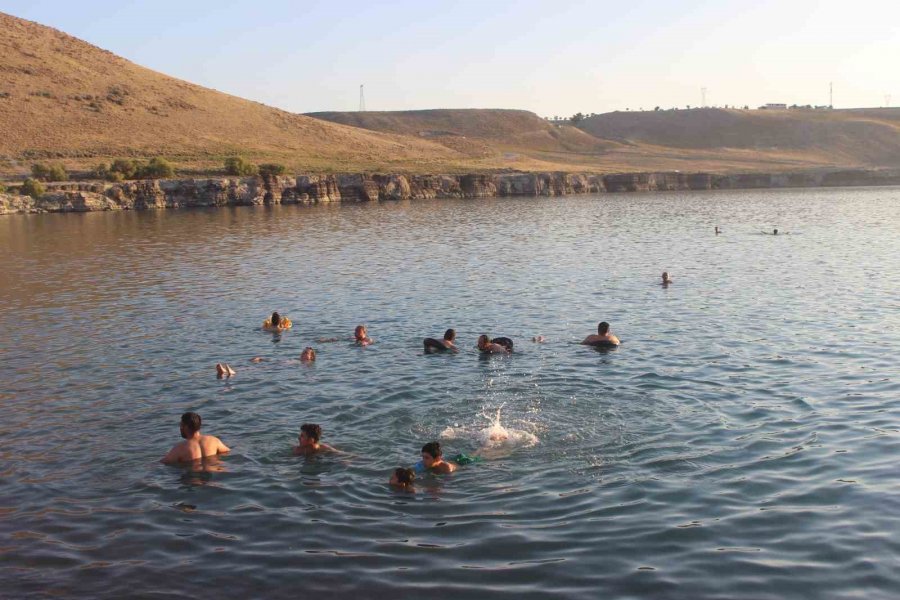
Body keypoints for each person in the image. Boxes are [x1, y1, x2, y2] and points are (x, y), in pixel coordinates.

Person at [162, 412, 230, 464]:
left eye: (181, 425)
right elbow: (227, 451)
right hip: (214, 479)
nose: (180, 428)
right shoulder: (214, 441)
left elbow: (164, 462)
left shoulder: (180, 448)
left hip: (193, 479)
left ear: (186, 427)